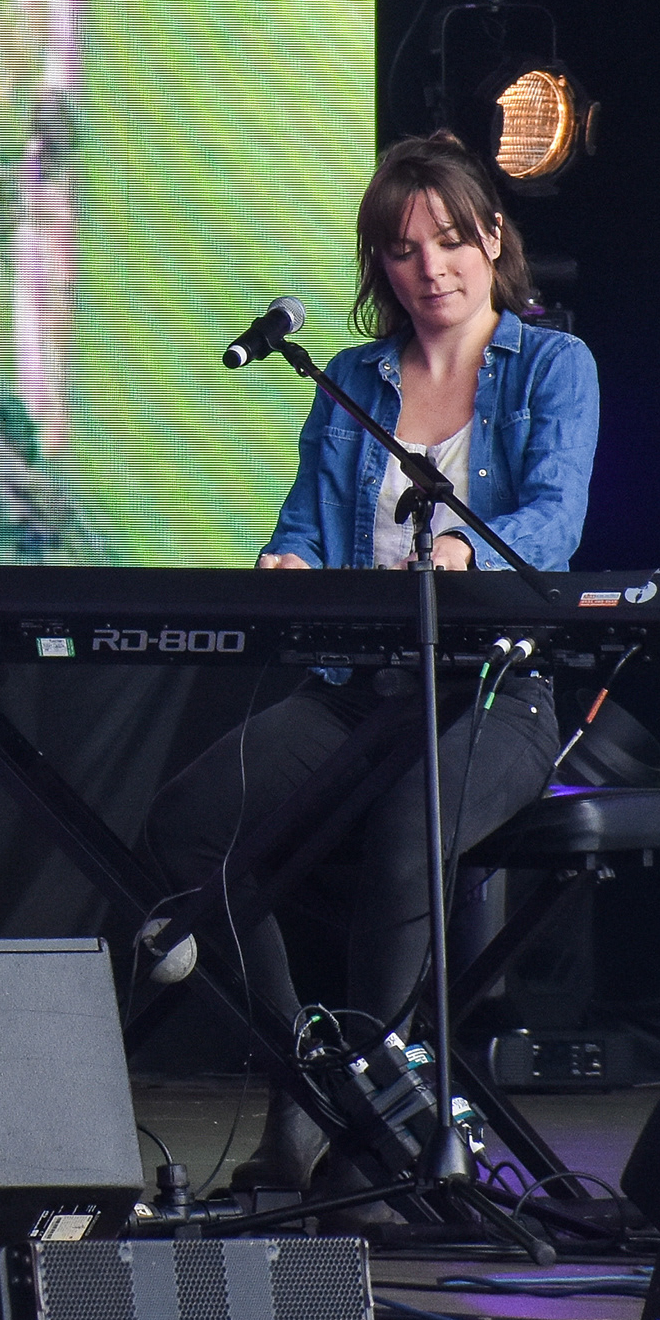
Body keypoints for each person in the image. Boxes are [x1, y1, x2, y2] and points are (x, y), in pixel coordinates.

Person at [137, 133, 597, 1196]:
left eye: (448, 240)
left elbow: (553, 519)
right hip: (354, 694)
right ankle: (315, 1086)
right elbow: (303, 521)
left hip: (494, 691)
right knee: (189, 823)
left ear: (493, 237)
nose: (429, 267)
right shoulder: (351, 378)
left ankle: (367, 1142)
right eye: (400, 249)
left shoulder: (554, 367)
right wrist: (287, 558)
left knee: (405, 825)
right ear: (377, 268)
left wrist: (459, 547)